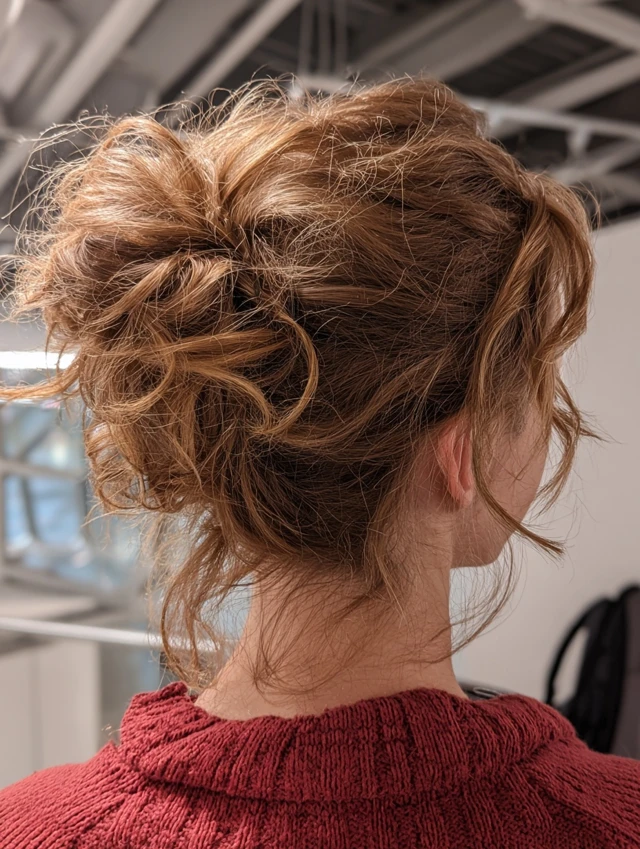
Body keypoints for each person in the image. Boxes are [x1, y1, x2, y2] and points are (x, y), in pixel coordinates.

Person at [1, 76, 638, 848]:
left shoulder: (27, 829)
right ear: (461, 452)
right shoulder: (615, 822)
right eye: (538, 385)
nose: (550, 420)